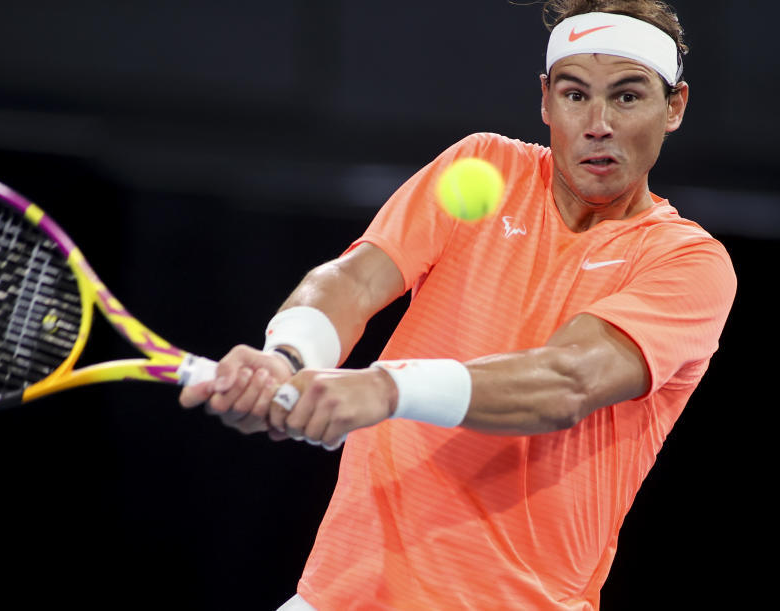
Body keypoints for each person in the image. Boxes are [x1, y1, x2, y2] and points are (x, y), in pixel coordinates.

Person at [180, 0, 736, 608]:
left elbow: (565, 382)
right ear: (546, 100)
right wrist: (287, 357)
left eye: (627, 97)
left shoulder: (688, 263)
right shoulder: (482, 168)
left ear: (674, 106)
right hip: (339, 595)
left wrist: (386, 389)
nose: (597, 123)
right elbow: (354, 279)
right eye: (576, 95)